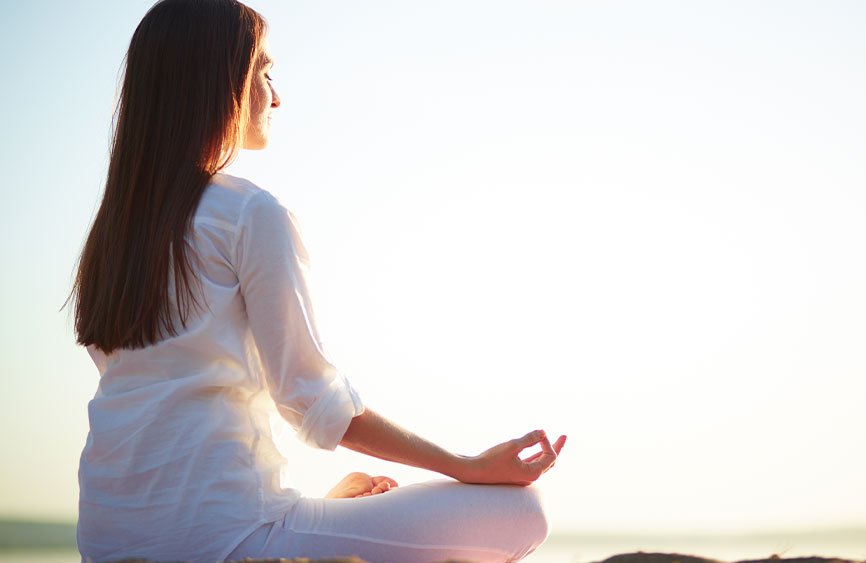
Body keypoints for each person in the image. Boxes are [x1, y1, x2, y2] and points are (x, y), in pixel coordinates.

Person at [69, 1, 566, 561]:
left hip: (106, 542)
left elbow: (165, 413)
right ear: (218, 80)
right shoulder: (247, 213)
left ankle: (310, 527)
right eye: (264, 72)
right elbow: (312, 400)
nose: (275, 95)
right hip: (225, 541)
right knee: (524, 512)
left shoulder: (112, 238)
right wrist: (467, 465)